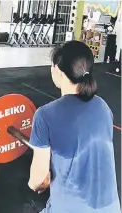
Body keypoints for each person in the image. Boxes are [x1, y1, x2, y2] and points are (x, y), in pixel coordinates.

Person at [27, 40, 121, 213]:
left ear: (59, 71)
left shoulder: (45, 115)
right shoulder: (103, 108)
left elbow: (36, 180)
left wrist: (40, 181)